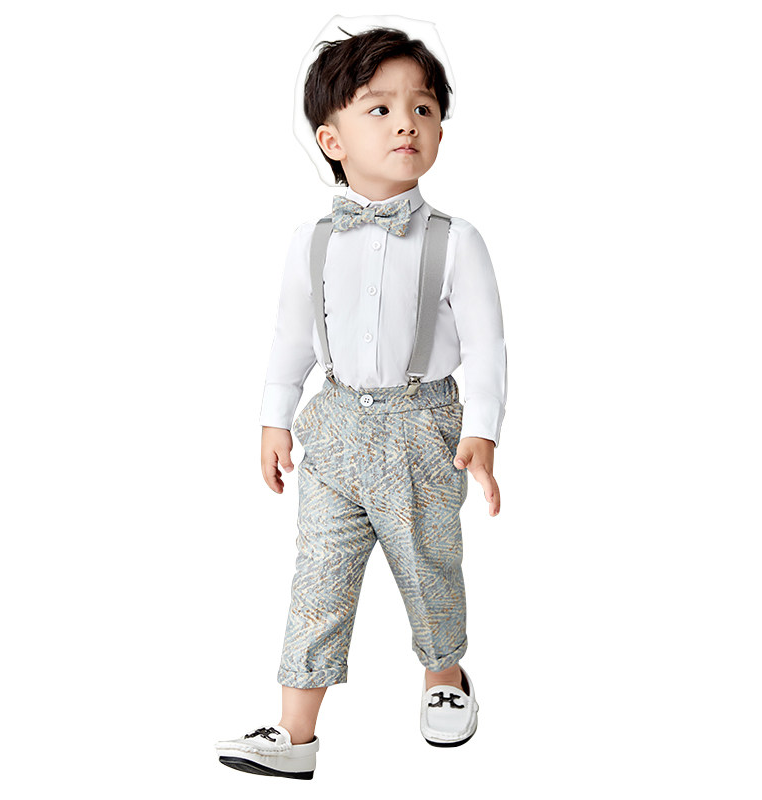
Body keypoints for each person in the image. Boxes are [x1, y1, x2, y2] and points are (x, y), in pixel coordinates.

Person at [216, 23, 507, 780]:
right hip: (335, 428)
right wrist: (273, 417)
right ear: (332, 139)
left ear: (439, 130)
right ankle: (294, 734)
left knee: (428, 565)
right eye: (380, 108)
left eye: (423, 108)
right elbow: (292, 336)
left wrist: (481, 431)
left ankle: (444, 677)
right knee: (319, 579)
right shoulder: (311, 240)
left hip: (424, 427)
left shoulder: (457, 240)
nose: (407, 121)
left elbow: (487, 347)